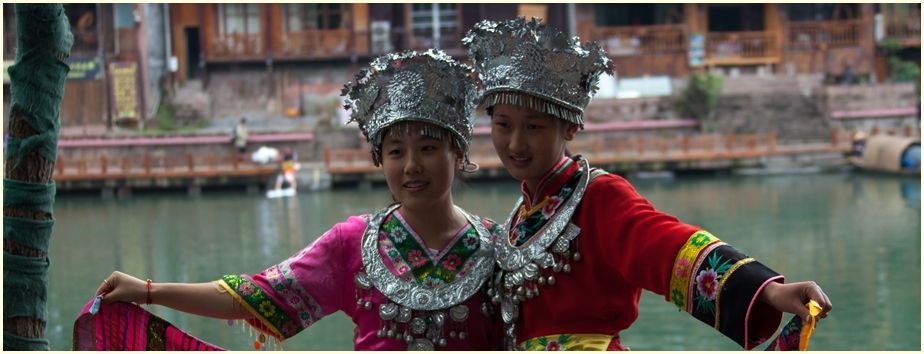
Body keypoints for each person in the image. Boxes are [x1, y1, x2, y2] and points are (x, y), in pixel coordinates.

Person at [84, 50, 503, 350]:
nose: (411, 165)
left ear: (459, 154)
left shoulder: (500, 248)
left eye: (428, 148)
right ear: (381, 161)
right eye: (396, 151)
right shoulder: (353, 243)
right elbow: (255, 295)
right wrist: (149, 290)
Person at [463, 18, 833, 350]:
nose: (515, 143)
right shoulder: (521, 215)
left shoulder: (598, 196)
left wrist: (767, 289)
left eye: (534, 127)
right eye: (503, 125)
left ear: (570, 127)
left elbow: (666, 247)